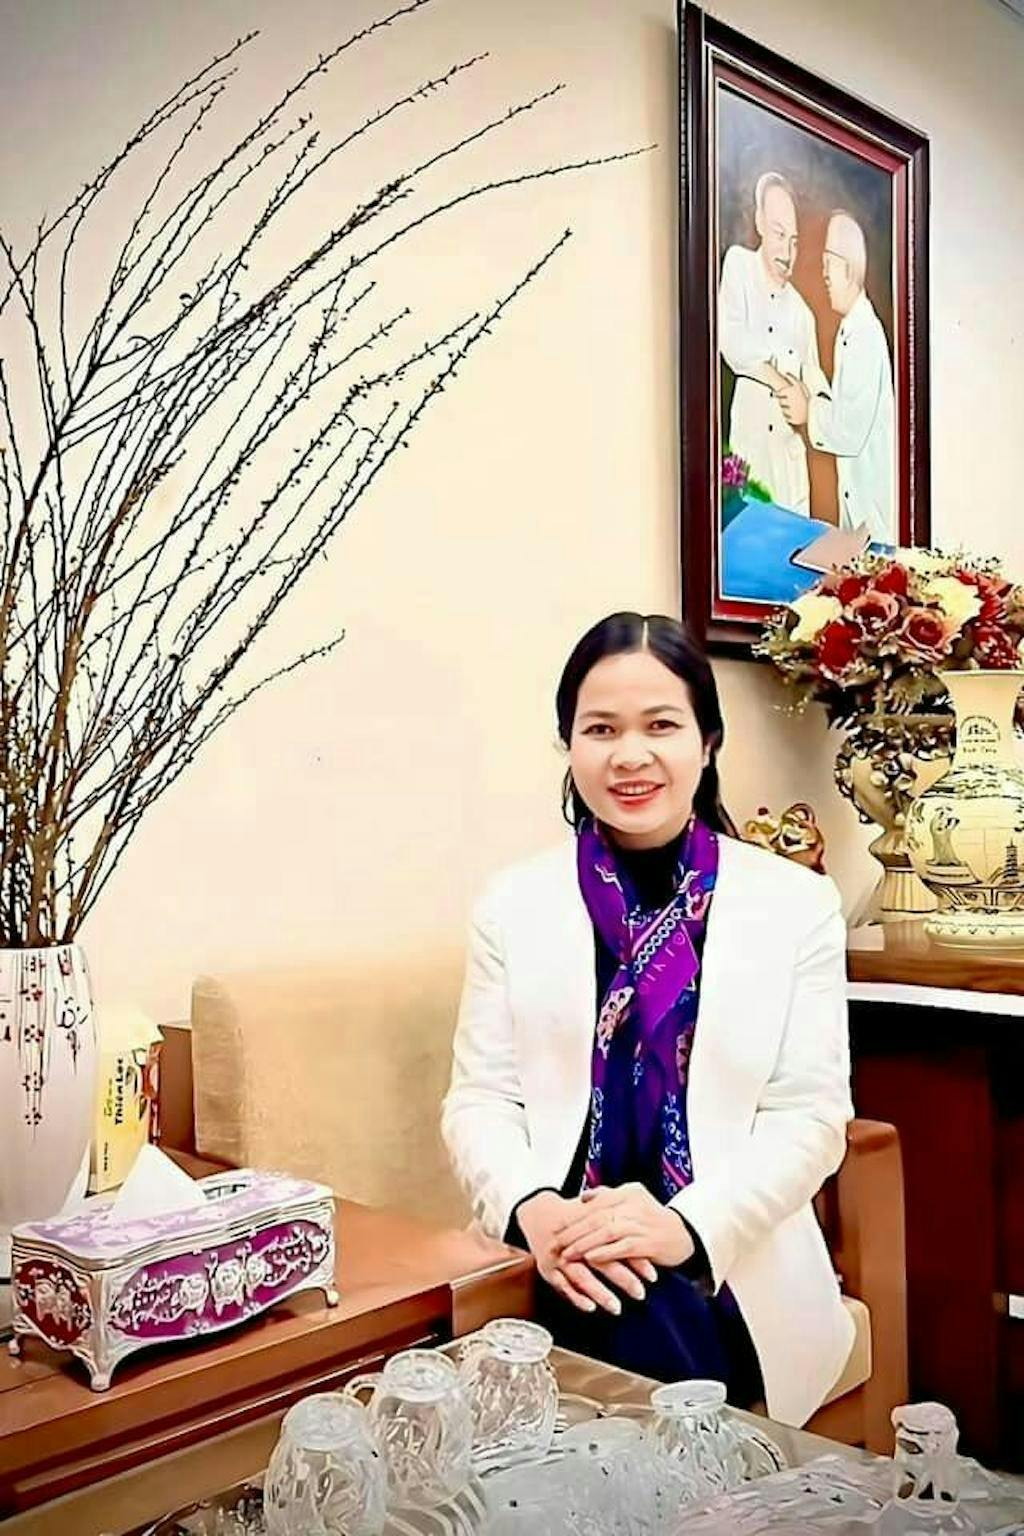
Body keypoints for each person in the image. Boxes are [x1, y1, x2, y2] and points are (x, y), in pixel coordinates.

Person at [442, 613, 855, 1428]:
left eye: (660, 725)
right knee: (607, 1299)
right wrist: (534, 1210)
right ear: (569, 745)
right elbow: (480, 1099)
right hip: (552, 1241)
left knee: (637, 1306)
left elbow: (809, 1117)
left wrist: (681, 1227)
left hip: (723, 1252)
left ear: (708, 741)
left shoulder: (794, 904)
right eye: (601, 729)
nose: (629, 755)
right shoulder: (513, 904)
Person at [776, 210, 896, 545]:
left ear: (848, 267)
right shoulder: (851, 329)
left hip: (873, 522)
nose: (824, 274)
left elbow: (848, 431)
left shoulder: (864, 335)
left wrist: (806, 410)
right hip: (860, 516)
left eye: (828, 262)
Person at [718, 172, 821, 517]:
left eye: (794, 241)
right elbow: (731, 341)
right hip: (750, 462)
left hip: (790, 473)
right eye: (779, 234)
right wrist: (781, 383)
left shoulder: (803, 314)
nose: (788, 252)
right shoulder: (738, 266)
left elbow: (816, 384)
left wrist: (807, 403)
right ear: (760, 222)